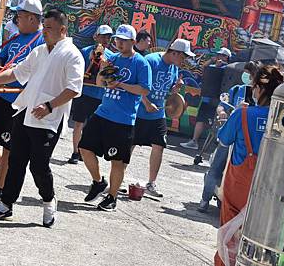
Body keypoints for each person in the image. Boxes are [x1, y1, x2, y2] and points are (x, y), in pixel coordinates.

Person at [0, 9, 84, 227]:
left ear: (62, 30)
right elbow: (16, 73)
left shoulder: (72, 54)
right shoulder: (40, 51)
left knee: (39, 166)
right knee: (16, 160)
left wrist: (50, 105)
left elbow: (74, 89)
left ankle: (49, 199)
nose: (44, 31)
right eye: (44, 27)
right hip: (25, 112)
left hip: (49, 118)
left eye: (49, 28)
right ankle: (5, 204)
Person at [0, 0, 45, 207]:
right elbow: (1, 57)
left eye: (20, 16)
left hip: (19, 101)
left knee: (8, 146)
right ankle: (2, 169)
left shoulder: (41, 41)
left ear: (32, 18)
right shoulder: (15, 37)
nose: (16, 20)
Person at [214, 65, 284, 266]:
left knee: (228, 238)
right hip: (269, 189)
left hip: (238, 188)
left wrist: (235, 113)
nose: (252, 90)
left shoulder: (243, 114)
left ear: (260, 89)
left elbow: (223, 140)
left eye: (254, 86)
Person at [79, 24, 151, 211]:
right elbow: (100, 83)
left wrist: (121, 85)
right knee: (84, 147)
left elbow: (144, 89)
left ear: (133, 42)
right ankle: (98, 181)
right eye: (117, 40)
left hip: (123, 119)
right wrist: (103, 69)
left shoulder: (141, 63)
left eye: (124, 41)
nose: (119, 43)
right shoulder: (113, 59)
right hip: (103, 112)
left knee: (116, 161)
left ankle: (112, 197)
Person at [132, 39, 194, 197]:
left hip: (158, 113)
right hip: (140, 110)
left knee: (159, 145)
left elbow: (168, 90)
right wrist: (145, 102)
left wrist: (175, 89)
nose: (184, 61)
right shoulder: (151, 61)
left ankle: (151, 184)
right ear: (174, 53)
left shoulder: (173, 67)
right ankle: (117, 179)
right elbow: (138, 84)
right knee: (130, 144)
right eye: (183, 57)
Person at [197, 61, 258, 213]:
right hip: (231, 134)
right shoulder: (236, 90)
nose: (248, 77)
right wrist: (222, 112)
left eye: (251, 74)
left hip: (248, 140)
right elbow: (222, 105)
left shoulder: (261, 96)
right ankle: (205, 198)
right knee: (217, 165)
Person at [68, 25, 114, 164]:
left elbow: (110, 79)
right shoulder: (85, 51)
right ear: (96, 37)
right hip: (85, 92)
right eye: (103, 36)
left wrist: (104, 65)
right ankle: (75, 152)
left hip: (100, 95)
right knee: (78, 124)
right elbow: (76, 71)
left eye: (108, 37)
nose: (105, 39)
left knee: (92, 127)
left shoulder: (112, 56)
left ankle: (86, 151)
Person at [181, 47, 232, 150]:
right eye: (218, 55)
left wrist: (218, 65)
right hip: (207, 98)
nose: (218, 57)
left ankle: (214, 145)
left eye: (221, 55)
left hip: (218, 100)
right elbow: (204, 68)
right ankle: (194, 141)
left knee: (216, 121)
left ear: (226, 57)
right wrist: (212, 61)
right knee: (201, 119)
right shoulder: (214, 65)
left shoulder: (228, 68)